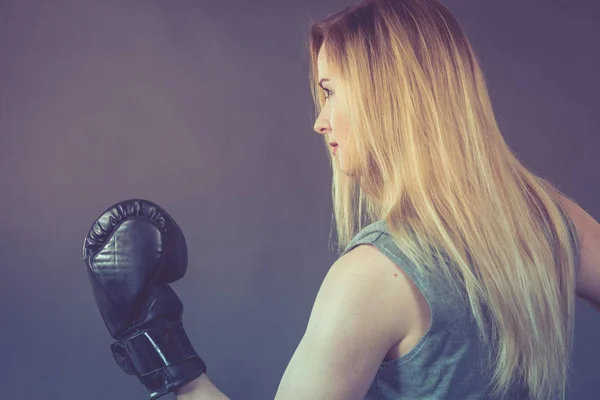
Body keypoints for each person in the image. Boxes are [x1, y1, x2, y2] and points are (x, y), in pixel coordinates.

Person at [83, 0, 600, 399]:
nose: (319, 120)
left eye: (330, 91)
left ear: (387, 96)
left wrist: (165, 360)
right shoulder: (555, 222)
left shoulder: (376, 276)